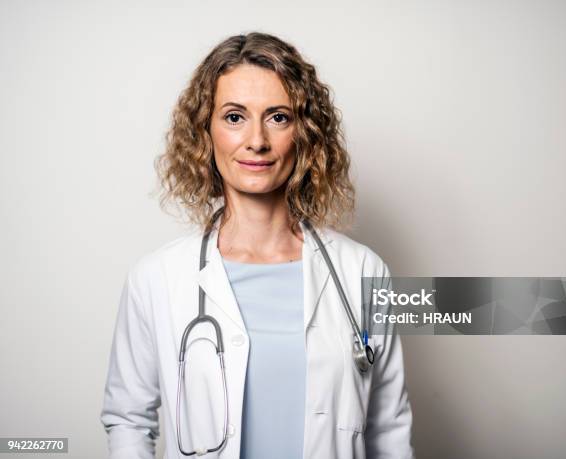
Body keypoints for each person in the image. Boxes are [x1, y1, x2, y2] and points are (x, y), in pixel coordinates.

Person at [100, 31, 414, 459]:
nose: (257, 140)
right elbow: (129, 420)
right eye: (234, 117)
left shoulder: (362, 272)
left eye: (278, 117)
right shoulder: (156, 278)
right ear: (205, 132)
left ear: (304, 133)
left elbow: (388, 427)